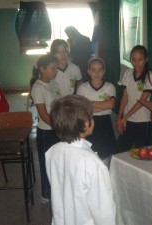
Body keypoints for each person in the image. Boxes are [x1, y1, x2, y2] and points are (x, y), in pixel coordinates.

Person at [46, 95, 116, 225]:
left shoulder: (52, 151)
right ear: (86, 124)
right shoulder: (94, 164)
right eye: (92, 116)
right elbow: (104, 212)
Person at [30, 54, 61, 203]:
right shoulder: (38, 88)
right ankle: (46, 194)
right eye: (53, 68)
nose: (56, 71)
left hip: (56, 129)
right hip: (46, 132)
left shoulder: (54, 84)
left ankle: (57, 189)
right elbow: (43, 115)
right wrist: (59, 128)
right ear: (42, 69)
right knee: (46, 163)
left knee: (56, 162)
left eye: (56, 68)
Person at [77, 57, 117, 167]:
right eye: (93, 70)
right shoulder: (82, 88)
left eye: (100, 70)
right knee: (89, 157)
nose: (97, 73)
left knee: (105, 157)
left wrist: (89, 103)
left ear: (104, 71)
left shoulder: (110, 86)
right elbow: (82, 108)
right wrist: (103, 105)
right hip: (88, 123)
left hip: (105, 124)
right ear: (88, 71)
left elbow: (111, 105)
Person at [116, 45, 152, 152]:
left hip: (143, 121)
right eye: (133, 60)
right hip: (128, 120)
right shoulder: (127, 73)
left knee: (141, 153)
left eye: (140, 60)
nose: (136, 63)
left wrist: (125, 117)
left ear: (146, 60)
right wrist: (120, 117)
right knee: (120, 151)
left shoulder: (150, 76)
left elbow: (142, 101)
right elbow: (124, 97)